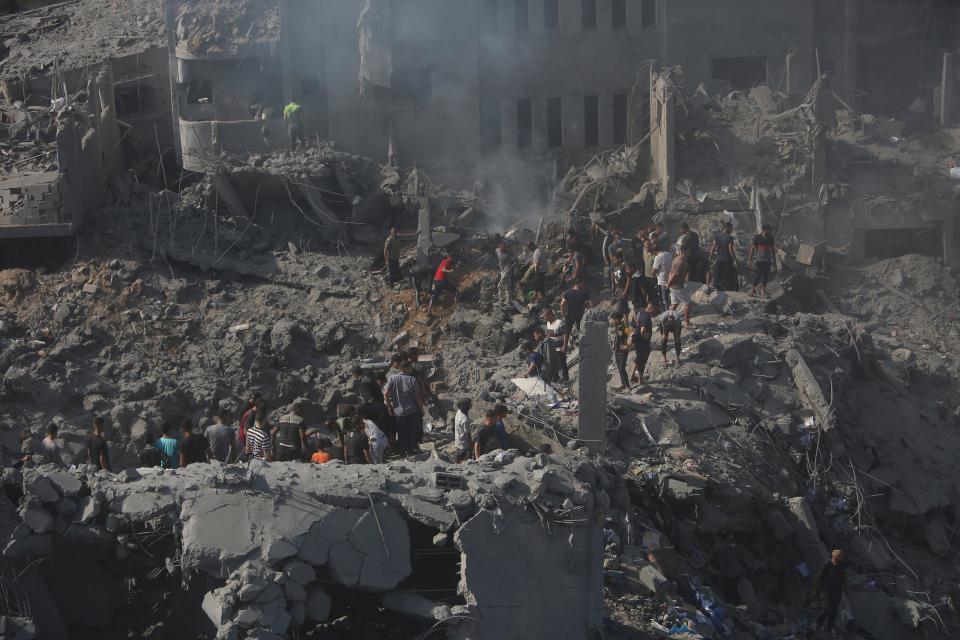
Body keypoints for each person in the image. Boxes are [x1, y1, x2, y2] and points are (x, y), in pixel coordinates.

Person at [385, 360, 424, 455]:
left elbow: (386, 393)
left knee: (401, 432)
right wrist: (421, 408)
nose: (412, 369)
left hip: (399, 412)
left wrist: (389, 406)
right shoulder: (412, 379)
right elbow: (418, 396)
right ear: (405, 368)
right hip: (411, 411)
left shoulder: (393, 378)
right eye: (410, 367)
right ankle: (411, 450)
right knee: (411, 431)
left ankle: (403, 451)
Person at [814, 549, 846, 633]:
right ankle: (817, 622)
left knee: (834, 611)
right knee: (827, 609)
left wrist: (845, 586)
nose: (842, 558)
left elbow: (843, 578)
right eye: (840, 557)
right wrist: (817, 590)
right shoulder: (827, 564)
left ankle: (830, 627)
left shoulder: (841, 566)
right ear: (835, 557)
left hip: (836, 592)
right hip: (826, 591)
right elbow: (819, 577)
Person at [668, 246, 695, 329]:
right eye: (688, 250)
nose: (690, 252)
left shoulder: (676, 259)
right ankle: (687, 323)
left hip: (674, 286)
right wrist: (668, 284)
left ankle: (669, 320)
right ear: (684, 251)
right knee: (688, 303)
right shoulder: (681, 262)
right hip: (677, 287)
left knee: (675, 304)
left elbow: (672, 272)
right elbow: (674, 275)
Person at [748, 223, 778, 296]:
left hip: (768, 260)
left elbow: (772, 250)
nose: (770, 232)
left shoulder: (771, 238)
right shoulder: (757, 238)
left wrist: (774, 261)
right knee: (758, 275)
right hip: (759, 260)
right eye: (769, 231)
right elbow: (752, 249)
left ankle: (763, 290)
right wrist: (749, 260)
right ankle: (753, 289)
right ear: (764, 230)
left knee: (765, 276)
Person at [709, 221, 739, 291]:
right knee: (727, 277)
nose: (731, 230)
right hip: (727, 260)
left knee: (717, 276)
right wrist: (735, 260)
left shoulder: (717, 236)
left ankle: (715, 288)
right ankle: (727, 290)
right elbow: (731, 250)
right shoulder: (729, 237)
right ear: (726, 228)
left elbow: (713, 247)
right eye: (731, 228)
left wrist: (710, 256)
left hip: (719, 260)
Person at [631, 301, 655, 384]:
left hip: (637, 339)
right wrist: (646, 337)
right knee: (642, 360)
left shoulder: (641, 311)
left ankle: (632, 375)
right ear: (652, 308)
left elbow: (635, 319)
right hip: (643, 342)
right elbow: (643, 330)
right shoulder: (647, 317)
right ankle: (640, 380)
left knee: (638, 358)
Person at [543, 308, 569, 383]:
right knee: (553, 362)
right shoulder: (548, 323)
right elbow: (549, 335)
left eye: (545, 316)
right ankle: (556, 377)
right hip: (552, 348)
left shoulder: (559, 322)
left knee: (562, 362)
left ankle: (565, 378)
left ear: (550, 315)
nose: (544, 318)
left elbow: (566, 333)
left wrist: (565, 345)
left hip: (560, 347)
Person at [610, 311, 632, 391]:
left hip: (623, 352)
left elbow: (632, 335)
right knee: (619, 368)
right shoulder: (617, 326)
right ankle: (623, 384)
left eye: (612, 319)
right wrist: (613, 345)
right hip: (617, 351)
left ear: (616, 320)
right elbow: (617, 338)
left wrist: (628, 345)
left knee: (622, 368)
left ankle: (628, 387)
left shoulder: (623, 327)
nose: (611, 321)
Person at [652, 244, 674, 311]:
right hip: (671, 280)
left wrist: (654, 274)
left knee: (664, 300)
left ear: (653, 251)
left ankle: (666, 314)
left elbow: (653, 272)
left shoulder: (658, 257)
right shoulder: (668, 254)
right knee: (669, 299)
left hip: (662, 282)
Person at [495, 236, 514, 307]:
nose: (503, 246)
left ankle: (501, 301)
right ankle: (508, 301)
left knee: (499, 286)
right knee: (507, 287)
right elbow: (499, 259)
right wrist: (498, 265)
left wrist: (510, 266)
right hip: (502, 271)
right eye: (501, 244)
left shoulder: (508, 253)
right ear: (499, 245)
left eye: (504, 245)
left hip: (507, 271)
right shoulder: (497, 251)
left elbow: (514, 260)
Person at [453, 397, 473, 462]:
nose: (470, 406)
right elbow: (467, 434)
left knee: (457, 454)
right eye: (469, 405)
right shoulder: (465, 420)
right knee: (461, 457)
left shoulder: (459, 412)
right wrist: (471, 446)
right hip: (463, 443)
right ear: (465, 407)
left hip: (458, 438)